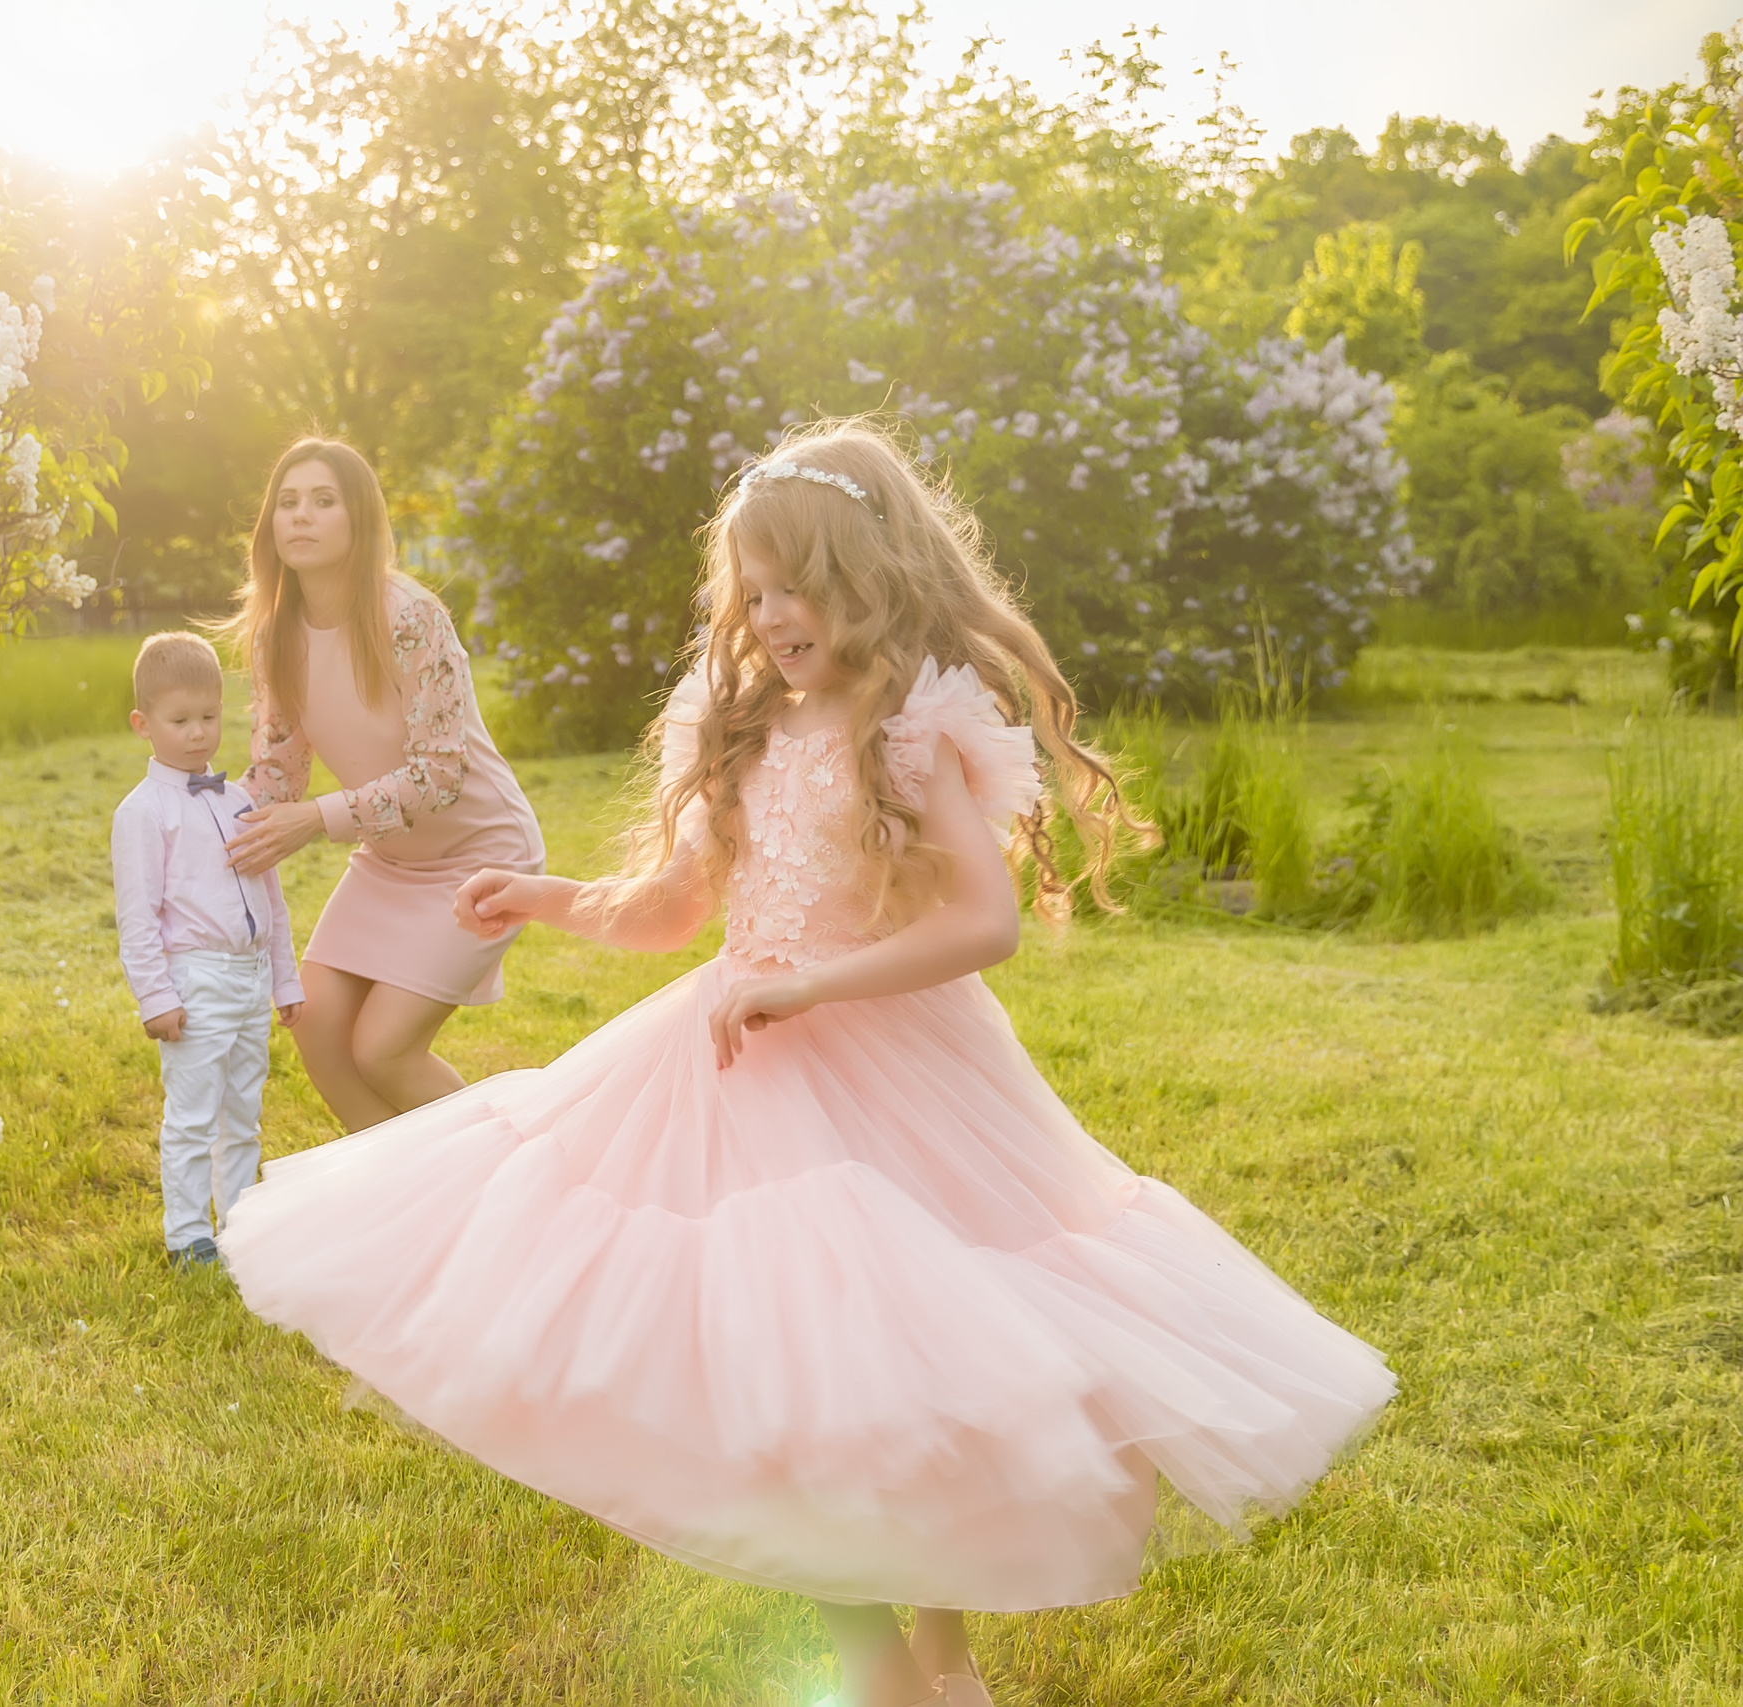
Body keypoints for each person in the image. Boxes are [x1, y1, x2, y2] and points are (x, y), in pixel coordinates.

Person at [217, 422, 1397, 1705]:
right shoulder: (739, 724)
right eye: (753, 593)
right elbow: (677, 906)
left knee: (932, 1357)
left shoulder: (915, 723)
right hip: (738, 1072)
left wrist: (809, 985)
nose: (772, 617)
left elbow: (980, 924)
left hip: (903, 1066)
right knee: (777, 1375)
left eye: (795, 588)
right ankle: (870, 1658)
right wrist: (546, 895)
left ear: (866, 578)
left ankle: (944, 1654)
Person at [218, 438, 545, 1131]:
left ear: (358, 517)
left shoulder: (411, 616)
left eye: (324, 501)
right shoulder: (274, 634)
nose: (301, 516)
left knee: (383, 1048)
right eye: (288, 502)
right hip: (391, 858)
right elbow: (276, 778)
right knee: (314, 1020)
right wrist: (189, 815)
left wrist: (316, 818)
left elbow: (441, 773)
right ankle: (408, 1204)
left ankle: (518, 1174)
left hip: (482, 855)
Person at [110, 632, 305, 1273]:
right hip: (195, 981)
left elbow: (269, 898)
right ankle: (188, 1237)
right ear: (144, 724)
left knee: (243, 1109)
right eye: (180, 721)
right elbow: (138, 917)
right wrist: (156, 997)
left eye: (210, 718)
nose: (198, 734)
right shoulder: (143, 813)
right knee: (193, 1115)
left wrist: (286, 981)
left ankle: (241, 1228)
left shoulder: (240, 798)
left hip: (250, 977)